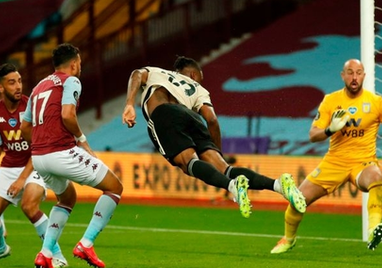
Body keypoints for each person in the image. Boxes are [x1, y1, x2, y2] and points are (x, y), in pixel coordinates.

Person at [270, 59, 382, 254]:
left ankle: (373, 229)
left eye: (359, 72)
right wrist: (330, 129)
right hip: (334, 162)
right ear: (342, 75)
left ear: (364, 75)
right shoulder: (331, 100)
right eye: (350, 72)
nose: (354, 77)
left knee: (376, 177)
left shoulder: (376, 102)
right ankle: (288, 239)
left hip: (363, 162)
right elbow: (313, 135)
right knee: (298, 199)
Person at [121, 56, 306, 217]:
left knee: (187, 163)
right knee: (224, 168)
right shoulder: (199, 90)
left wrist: (130, 104)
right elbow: (212, 120)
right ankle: (278, 185)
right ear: (194, 74)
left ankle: (232, 186)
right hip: (191, 117)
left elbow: (136, 74)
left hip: (163, 113)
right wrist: (217, 152)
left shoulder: (157, 72)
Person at [20, 43, 124, 268]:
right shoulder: (72, 81)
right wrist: (81, 139)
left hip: (39, 157)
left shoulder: (38, 86)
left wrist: (41, 143)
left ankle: (46, 253)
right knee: (114, 187)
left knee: (67, 198)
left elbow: (25, 125)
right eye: (80, 63)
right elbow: (67, 114)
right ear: (74, 63)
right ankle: (86, 244)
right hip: (61, 152)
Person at [0, 63, 68, 268]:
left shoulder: (32, 106)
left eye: (19, 81)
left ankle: (56, 255)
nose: (18, 86)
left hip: (37, 163)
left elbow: (38, 147)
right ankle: (0, 249)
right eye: (11, 82)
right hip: (9, 166)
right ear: (0, 88)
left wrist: (21, 180)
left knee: (29, 205)